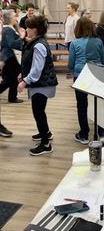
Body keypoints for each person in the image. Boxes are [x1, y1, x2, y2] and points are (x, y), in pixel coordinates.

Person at [18, 15, 58, 156]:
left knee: (38, 112)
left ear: (35, 30)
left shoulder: (39, 45)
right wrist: (22, 75)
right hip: (41, 84)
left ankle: (46, 144)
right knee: (40, 111)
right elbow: (30, 64)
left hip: (42, 85)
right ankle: (45, 132)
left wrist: (24, 81)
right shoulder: (37, 42)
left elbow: (36, 70)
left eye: (28, 27)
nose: (26, 30)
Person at [68, 17, 104, 145]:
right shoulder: (98, 41)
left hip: (80, 76)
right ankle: (103, 134)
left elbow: (70, 64)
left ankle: (84, 134)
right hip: (97, 74)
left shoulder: (74, 43)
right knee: (99, 106)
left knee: (82, 105)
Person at [0, 9, 25, 103]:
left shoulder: (10, 28)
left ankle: (12, 97)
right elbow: (12, 44)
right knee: (8, 80)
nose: (16, 17)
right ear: (10, 18)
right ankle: (12, 97)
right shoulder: (8, 30)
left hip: (11, 57)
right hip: (10, 57)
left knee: (13, 79)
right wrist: (21, 36)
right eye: (14, 16)